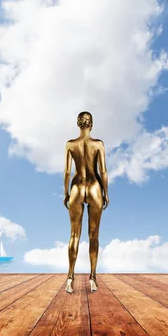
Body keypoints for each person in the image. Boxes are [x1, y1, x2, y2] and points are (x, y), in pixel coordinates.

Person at [63, 111, 109, 293]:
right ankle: (93, 277)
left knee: (74, 235)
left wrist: (65, 193)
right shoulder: (98, 145)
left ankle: (69, 277)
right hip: (94, 187)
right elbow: (103, 172)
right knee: (94, 236)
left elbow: (67, 172)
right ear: (92, 124)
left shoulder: (70, 145)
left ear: (78, 123)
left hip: (76, 187)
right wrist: (106, 192)